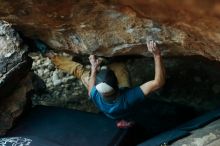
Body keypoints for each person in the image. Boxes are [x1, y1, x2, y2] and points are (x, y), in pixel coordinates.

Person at [36, 40, 166, 128]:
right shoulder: (128, 97)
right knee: (119, 66)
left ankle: (50, 55)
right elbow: (158, 82)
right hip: (124, 108)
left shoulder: (95, 95)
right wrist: (157, 55)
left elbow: (91, 88)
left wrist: (93, 68)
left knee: (79, 71)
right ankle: (125, 120)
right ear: (117, 85)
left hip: (110, 111)